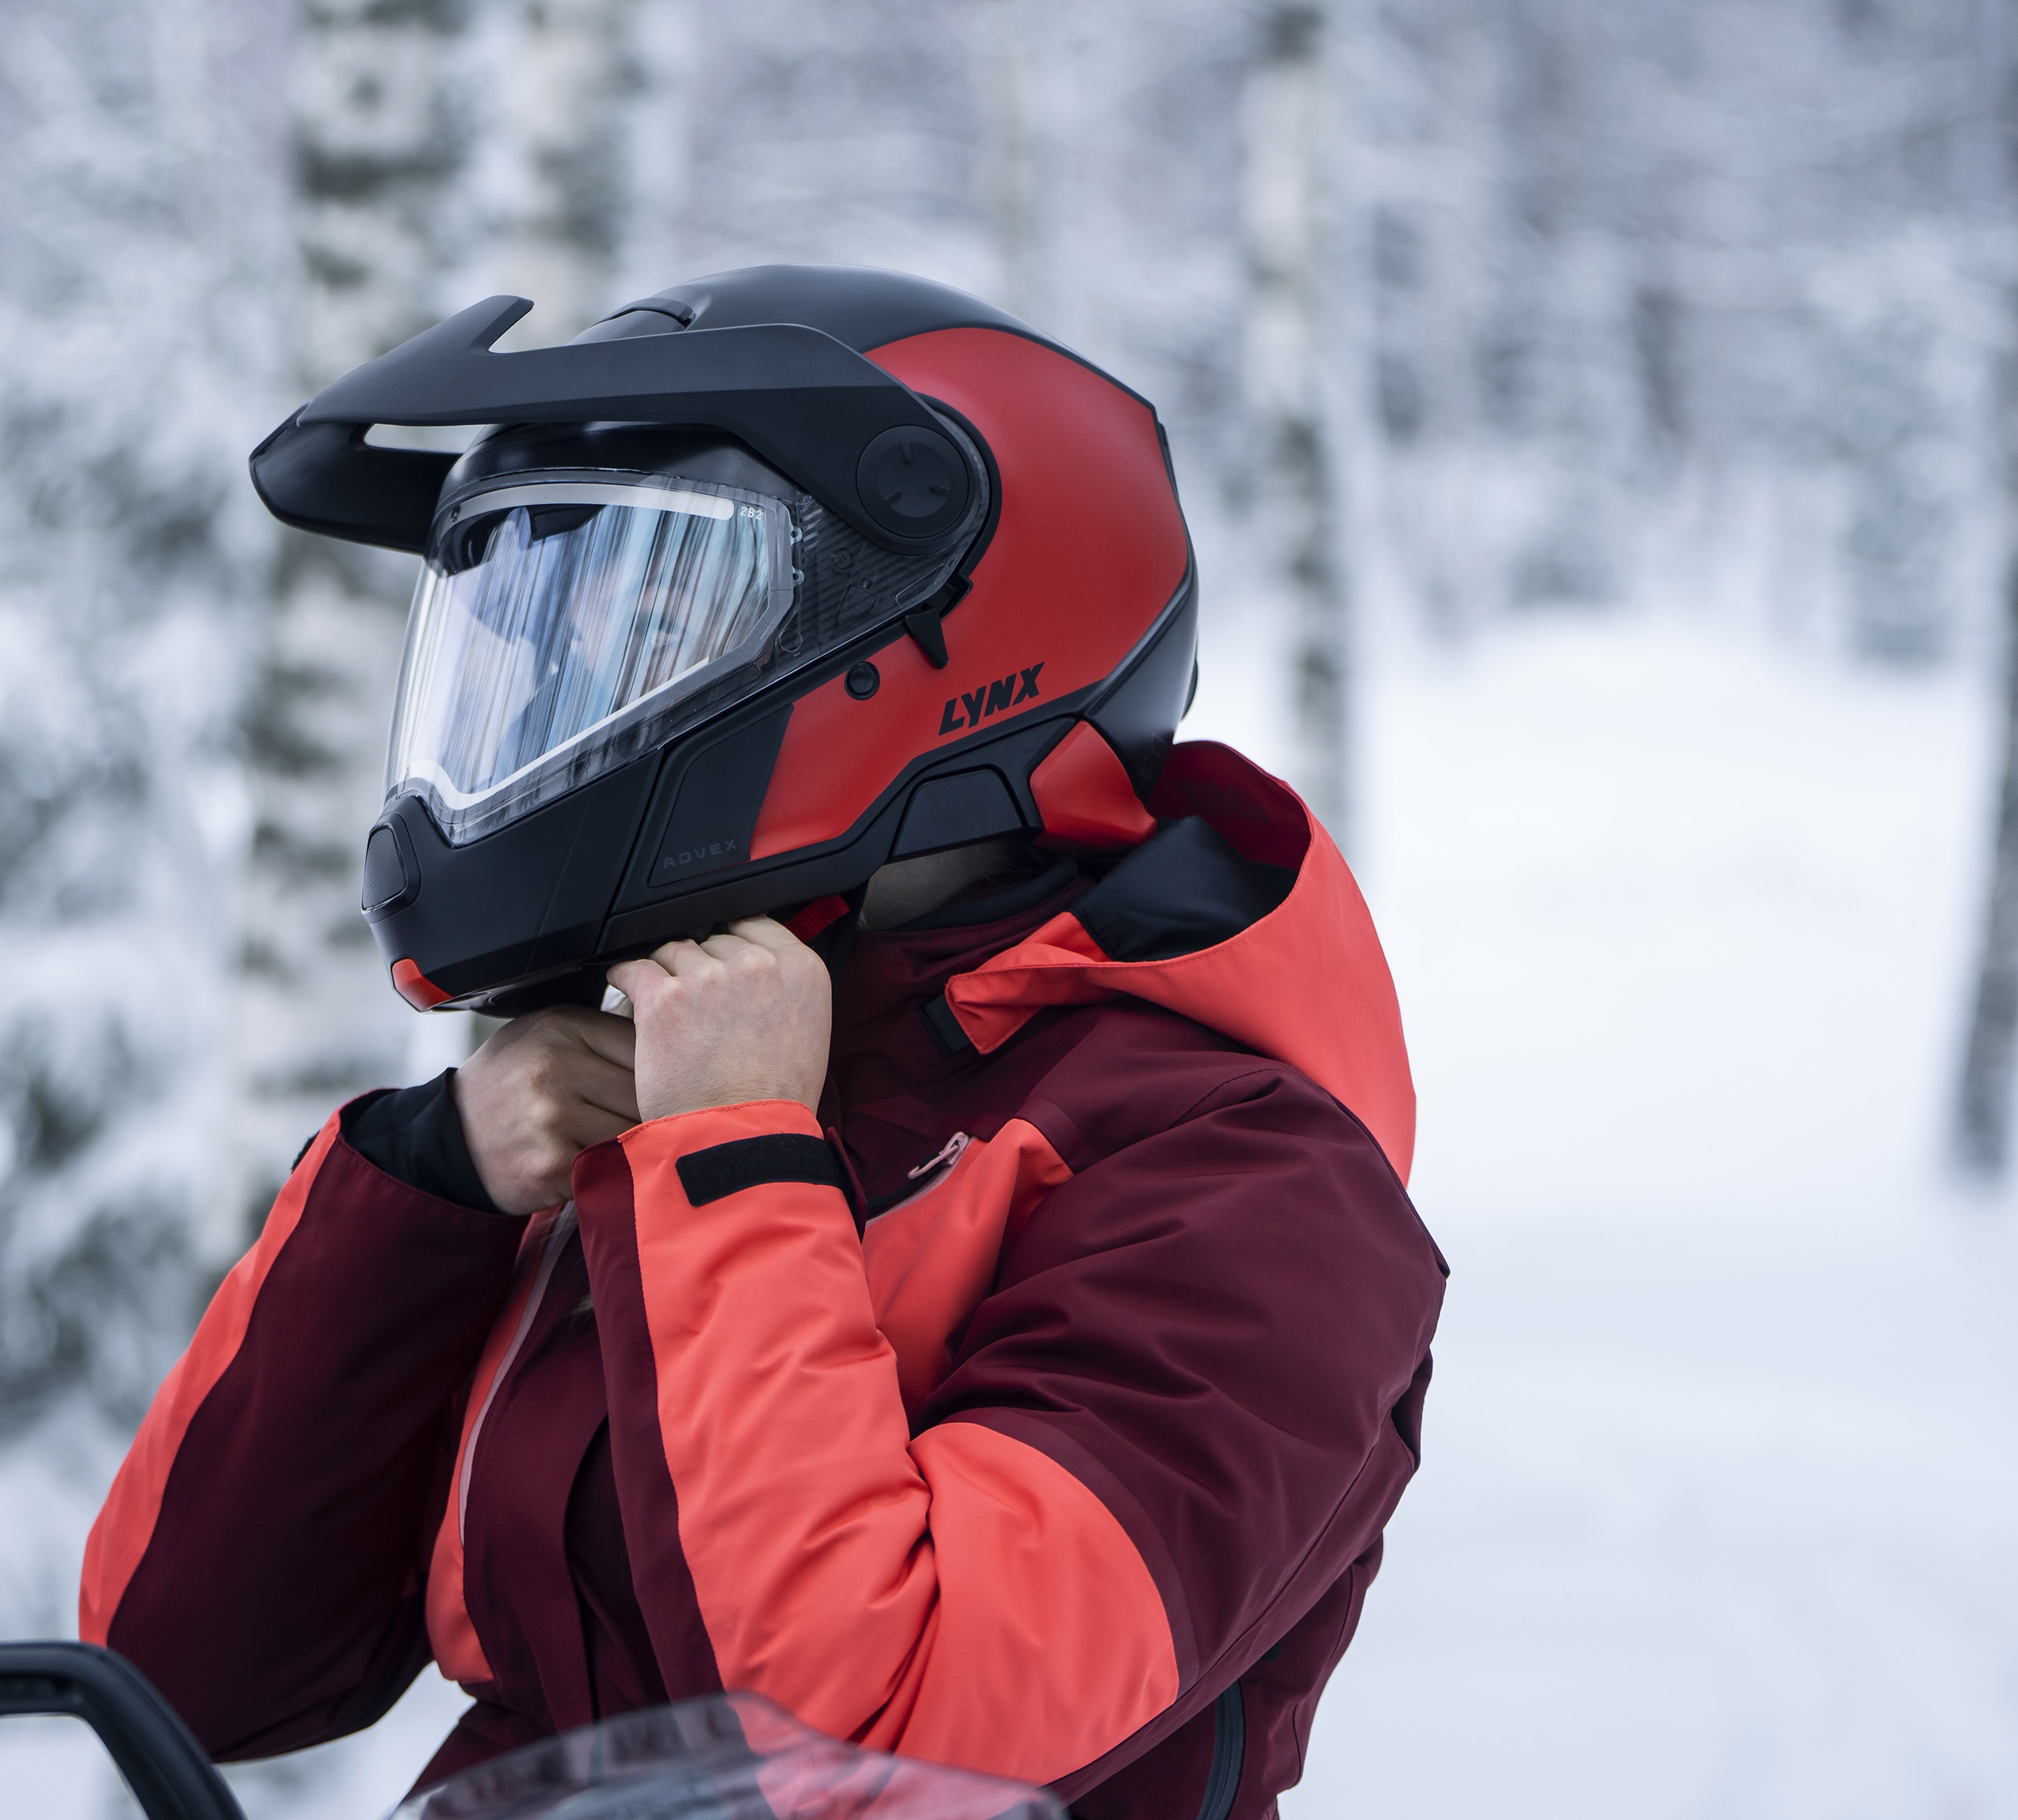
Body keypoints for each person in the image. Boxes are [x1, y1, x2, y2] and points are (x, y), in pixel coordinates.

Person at [82, 265, 1444, 1820]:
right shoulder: (659, 1067)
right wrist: (434, 1186)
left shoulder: (1243, 1188)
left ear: (950, 646)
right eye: (545, 652)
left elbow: (895, 1742)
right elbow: (191, 1666)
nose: (570, 706)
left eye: (651, 625)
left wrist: (736, 1166)